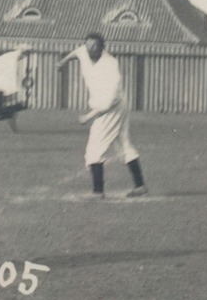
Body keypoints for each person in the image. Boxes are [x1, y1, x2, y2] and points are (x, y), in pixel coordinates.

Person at [60, 34, 146, 198]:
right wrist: (62, 63)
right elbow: (76, 52)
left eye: (95, 47)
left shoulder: (110, 65)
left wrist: (88, 117)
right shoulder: (84, 51)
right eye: (89, 46)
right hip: (114, 105)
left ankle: (98, 191)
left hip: (112, 107)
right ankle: (140, 185)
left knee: (94, 149)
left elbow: (108, 102)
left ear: (103, 47)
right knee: (124, 145)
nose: (91, 50)